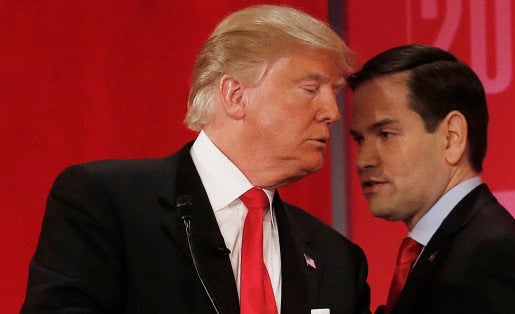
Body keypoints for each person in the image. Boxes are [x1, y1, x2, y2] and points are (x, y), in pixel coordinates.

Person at [22, 5, 370, 314]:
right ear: (235, 95)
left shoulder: (337, 259)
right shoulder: (106, 202)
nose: (332, 113)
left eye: (334, 93)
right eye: (311, 89)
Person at [348, 44, 515, 313]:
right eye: (359, 139)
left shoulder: (495, 255)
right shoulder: (451, 247)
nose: (363, 160)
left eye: (385, 134)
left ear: (452, 137)